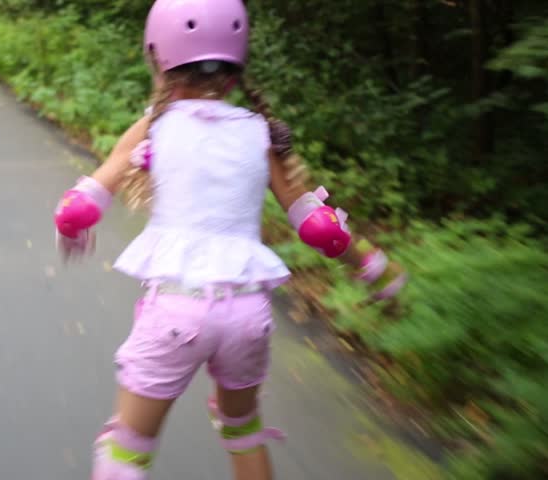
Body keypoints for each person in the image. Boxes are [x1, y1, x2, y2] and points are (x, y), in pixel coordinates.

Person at [53, 1, 407, 478]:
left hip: (176, 311)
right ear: (236, 64)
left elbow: (79, 206)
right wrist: (374, 267)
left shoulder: (153, 127)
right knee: (242, 428)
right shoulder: (259, 132)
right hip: (247, 315)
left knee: (127, 448)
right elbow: (318, 226)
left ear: (158, 57)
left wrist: (71, 228)